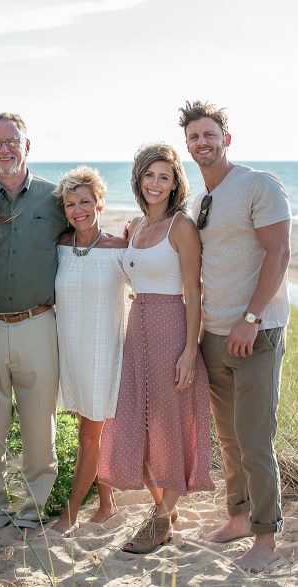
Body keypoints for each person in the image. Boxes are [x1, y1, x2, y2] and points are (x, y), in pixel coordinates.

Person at [180, 100, 291, 573]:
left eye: (209, 135)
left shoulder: (258, 185)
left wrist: (252, 316)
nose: (201, 143)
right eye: (193, 138)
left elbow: (279, 252)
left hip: (256, 333)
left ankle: (266, 538)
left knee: (254, 439)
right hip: (214, 333)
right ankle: (239, 516)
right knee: (227, 437)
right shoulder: (197, 198)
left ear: (227, 138)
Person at [97, 143, 214, 554]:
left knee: (169, 422)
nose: (156, 183)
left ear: (175, 182)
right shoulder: (136, 226)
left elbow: (194, 293)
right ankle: (163, 508)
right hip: (137, 330)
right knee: (138, 422)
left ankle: (162, 518)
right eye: (149, 175)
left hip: (170, 328)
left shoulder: (181, 226)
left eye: (164, 176)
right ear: (139, 178)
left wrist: (189, 351)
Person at [0, 112, 66, 535]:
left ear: (28, 147)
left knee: (39, 426)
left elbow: (88, 231)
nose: (3, 149)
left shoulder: (55, 197)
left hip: (38, 324)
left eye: (12, 141)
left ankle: (32, 512)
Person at [44, 166, 128, 535]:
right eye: (70, 204)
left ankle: (71, 513)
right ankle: (107, 504)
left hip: (104, 351)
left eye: (85, 202)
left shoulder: (119, 247)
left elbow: (153, 280)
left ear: (100, 204)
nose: (78, 210)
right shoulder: (60, 246)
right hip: (72, 350)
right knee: (91, 430)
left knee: (89, 436)